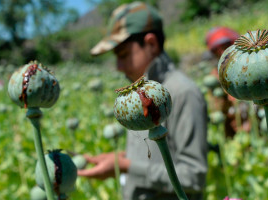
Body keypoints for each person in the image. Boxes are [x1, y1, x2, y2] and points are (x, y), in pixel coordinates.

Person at [78, 2, 208, 200]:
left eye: (123, 55)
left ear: (151, 44)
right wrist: (118, 160)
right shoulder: (139, 95)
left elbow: (194, 177)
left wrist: (127, 167)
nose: (118, 66)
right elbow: (156, 154)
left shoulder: (182, 92)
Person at [204, 27, 251, 138]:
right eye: (217, 50)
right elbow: (217, 109)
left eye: (224, 47)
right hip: (231, 126)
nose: (221, 52)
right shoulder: (215, 76)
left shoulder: (248, 68)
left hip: (250, 119)